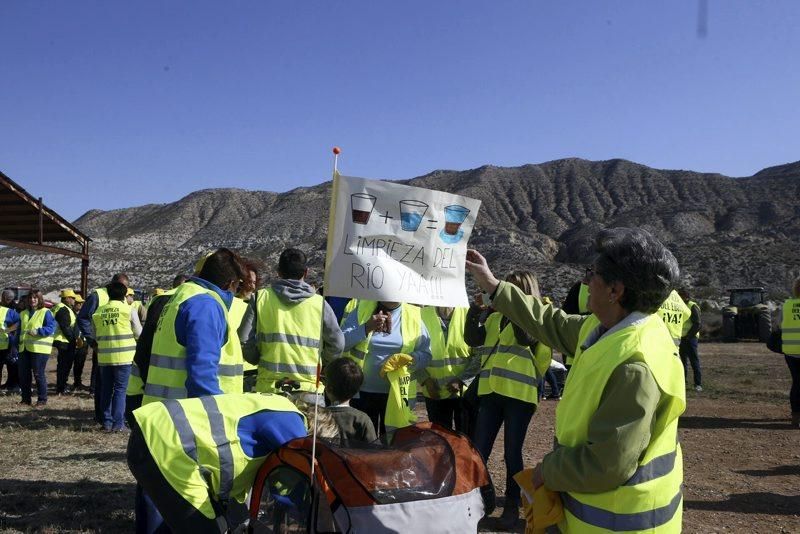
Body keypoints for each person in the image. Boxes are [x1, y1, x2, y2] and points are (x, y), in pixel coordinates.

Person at [466, 227, 686, 533]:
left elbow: (607, 464)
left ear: (615, 290)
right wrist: (492, 285)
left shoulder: (634, 366)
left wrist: (548, 470)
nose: (585, 281)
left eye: (592, 273)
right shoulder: (608, 328)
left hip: (620, 522)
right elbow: (548, 321)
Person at [127, 393, 309, 532]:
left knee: (207, 524)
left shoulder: (276, 404)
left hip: (158, 436)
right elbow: (300, 477)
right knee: (206, 528)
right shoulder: (294, 423)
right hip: (168, 446)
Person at [463, 271, 552, 529]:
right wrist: (474, 312)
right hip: (491, 392)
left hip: (519, 396)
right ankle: (481, 502)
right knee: (480, 450)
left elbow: (526, 338)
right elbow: (473, 339)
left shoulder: (538, 315)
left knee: (512, 453)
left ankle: (512, 509)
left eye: (511, 289)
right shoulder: (496, 317)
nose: (505, 293)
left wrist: (514, 309)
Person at [142, 248, 246, 405]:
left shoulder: (182, 297)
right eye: (238, 286)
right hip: (188, 416)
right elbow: (203, 374)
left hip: (165, 410)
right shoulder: (205, 305)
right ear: (230, 284)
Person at [242, 248, 344, 403]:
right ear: (306, 272)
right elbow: (337, 343)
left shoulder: (260, 298)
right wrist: (322, 364)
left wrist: (257, 358)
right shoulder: (319, 304)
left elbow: (244, 338)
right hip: (308, 392)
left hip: (269, 390)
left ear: (278, 272)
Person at [342, 300, 432, 437]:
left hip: (397, 396)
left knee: (392, 445)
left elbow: (426, 355)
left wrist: (410, 359)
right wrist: (366, 328)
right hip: (361, 392)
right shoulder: (362, 309)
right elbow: (341, 343)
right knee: (362, 445)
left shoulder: (413, 314)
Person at [77, 273, 130, 422]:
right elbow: (83, 318)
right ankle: (102, 417)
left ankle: (113, 417)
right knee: (102, 385)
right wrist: (92, 341)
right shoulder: (97, 295)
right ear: (113, 284)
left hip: (121, 350)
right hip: (102, 348)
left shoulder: (124, 297)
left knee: (114, 387)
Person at [93, 281, 141, 432]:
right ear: (124, 295)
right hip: (124, 356)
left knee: (106, 389)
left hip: (105, 357)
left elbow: (95, 335)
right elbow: (139, 333)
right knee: (120, 390)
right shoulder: (128, 310)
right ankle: (118, 424)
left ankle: (106, 422)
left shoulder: (98, 312)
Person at [420, 306, 471, 433]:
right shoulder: (422, 315)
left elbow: (480, 355)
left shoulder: (469, 314)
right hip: (434, 392)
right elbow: (411, 351)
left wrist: (462, 379)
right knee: (440, 440)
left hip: (464, 393)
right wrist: (425, 380)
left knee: (466, 441)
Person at [324, 356, 377, 445]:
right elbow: (373, 453)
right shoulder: (362, 419)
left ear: (329, 388)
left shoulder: (317, 417)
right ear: (357, 390)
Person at [19, 289, 56, 407]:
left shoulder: (46, 312)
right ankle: (25, 399)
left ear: (40, 299)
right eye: (30, 298)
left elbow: (51, 328)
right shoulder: (23, 313)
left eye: (35, 297)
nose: (32, 300)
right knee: (24, 375)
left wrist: (38, 331)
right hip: (24, 348)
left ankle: (42, 400)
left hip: (39, 349)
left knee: (38, 374)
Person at [231, 259, 261, 393]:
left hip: (253, 368)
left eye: (254, 282)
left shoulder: (259, 305)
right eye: (249, 281)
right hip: (238, 368)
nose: (252, 285)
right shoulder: (230, 304)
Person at [776, 277, 800, 428]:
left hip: (791, 351)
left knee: (797, 382)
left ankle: (796, 415)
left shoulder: (787, 305)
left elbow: (779, 325)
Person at [53, 289, 79, 394]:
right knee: (64, 366)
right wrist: (73, 340)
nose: (74, 300)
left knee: (63, 365)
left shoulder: (62, 308)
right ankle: (61, 387)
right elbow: (65, 327)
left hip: (63, 340)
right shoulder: (63, 309)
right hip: (64, 341)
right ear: (67, 298)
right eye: (73, 298)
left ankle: (62, 386)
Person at [679, 289, 703, 392]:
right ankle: (683, 383)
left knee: (694, 361)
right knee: (682, 362)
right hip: (681, 338)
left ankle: (698, 384)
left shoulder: (692, 306)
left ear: (686, 296)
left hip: (691, 338)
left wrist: (689, 336)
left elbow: (697, 324)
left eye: (681, 296)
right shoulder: (679, 306)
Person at [0, 289, 21, 395]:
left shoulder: (15, 309)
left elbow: (19, 322)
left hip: (11, 341)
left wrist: (9, 330)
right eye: (5, 297)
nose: (7, 300)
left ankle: (14, 385)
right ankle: (9, 383)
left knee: (12, 364)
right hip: (4, 342)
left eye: (9, 298)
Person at [71, 294, 89, 391]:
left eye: (82, 303)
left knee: (80, 363)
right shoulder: (71, 314)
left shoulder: (85, 314)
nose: (81, 305)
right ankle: (75, 382)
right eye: (79, 303)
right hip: (73, 342)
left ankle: (77, 382)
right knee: (72, 363)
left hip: (83, 343)